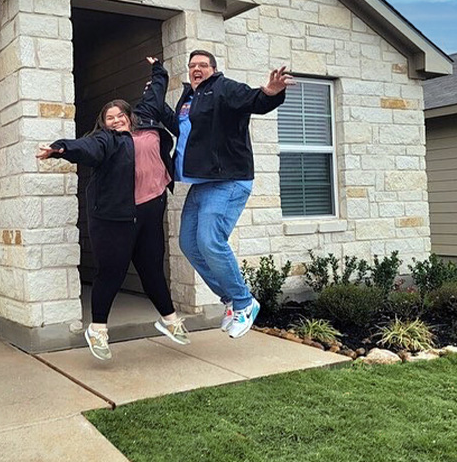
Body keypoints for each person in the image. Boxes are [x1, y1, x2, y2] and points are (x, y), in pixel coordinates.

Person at [36, 59, 189, 361]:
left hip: (150, 210)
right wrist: (61, 148)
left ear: (130, 116)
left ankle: (170, 321)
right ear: (104, 123)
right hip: (114, 217)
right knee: (112, 272)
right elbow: (87, 148)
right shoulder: (106, 140)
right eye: (110, 117)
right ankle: (97, 330)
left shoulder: (146, 119)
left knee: (152, 270)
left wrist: (158, 70)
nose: (116, 120)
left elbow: (155, 94)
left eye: (120, 114)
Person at [147, 50, 294, 339]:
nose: (197, 69)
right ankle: (229, 299)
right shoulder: (190, 98)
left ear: (213, 69)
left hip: (229, 179)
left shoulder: (224, 89)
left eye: (203, 65)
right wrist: (158, 83)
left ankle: (244, 302)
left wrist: (271, 93)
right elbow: (180, 127)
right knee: (189, 244)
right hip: (202, 182)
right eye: (192, 65)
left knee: (210, 241)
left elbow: (254, 100)